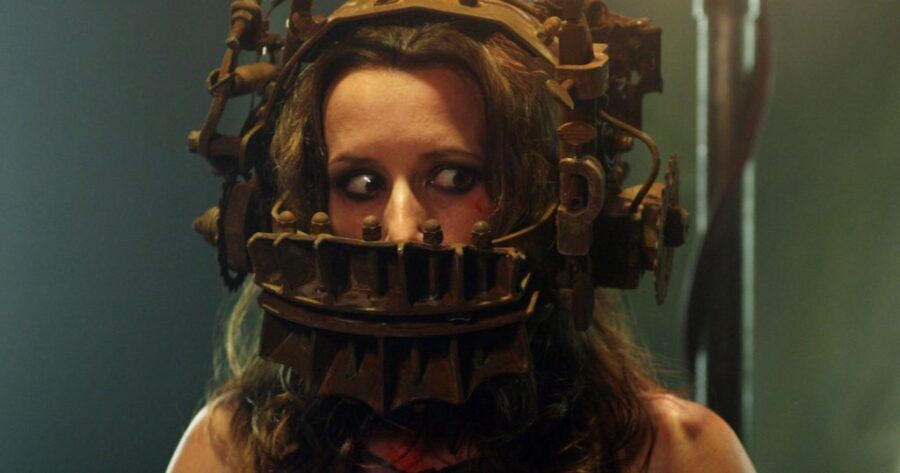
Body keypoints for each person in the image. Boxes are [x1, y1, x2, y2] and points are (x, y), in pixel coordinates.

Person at [169, 0, 755, 471]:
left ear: (545, 196)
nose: (401, 228)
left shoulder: (672, 456)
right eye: (361, 183)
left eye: (453, 177)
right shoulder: (230, 455)